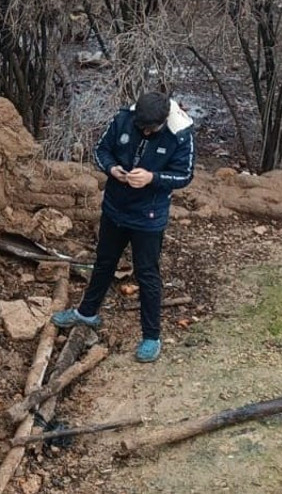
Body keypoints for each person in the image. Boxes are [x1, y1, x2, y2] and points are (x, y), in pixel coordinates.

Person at [51, 91, 195, 363]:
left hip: (149, 216)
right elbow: (101, 150)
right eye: (141, 126)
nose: (144, 131)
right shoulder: (124, 119)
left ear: (163, 120)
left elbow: (185, 175)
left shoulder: (180, 134)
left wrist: (153, 177)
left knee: (147, 273)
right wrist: (113, 168)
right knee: (104, 261)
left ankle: (151, 336)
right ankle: (87, 312)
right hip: (116, 207)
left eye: (150, 128)